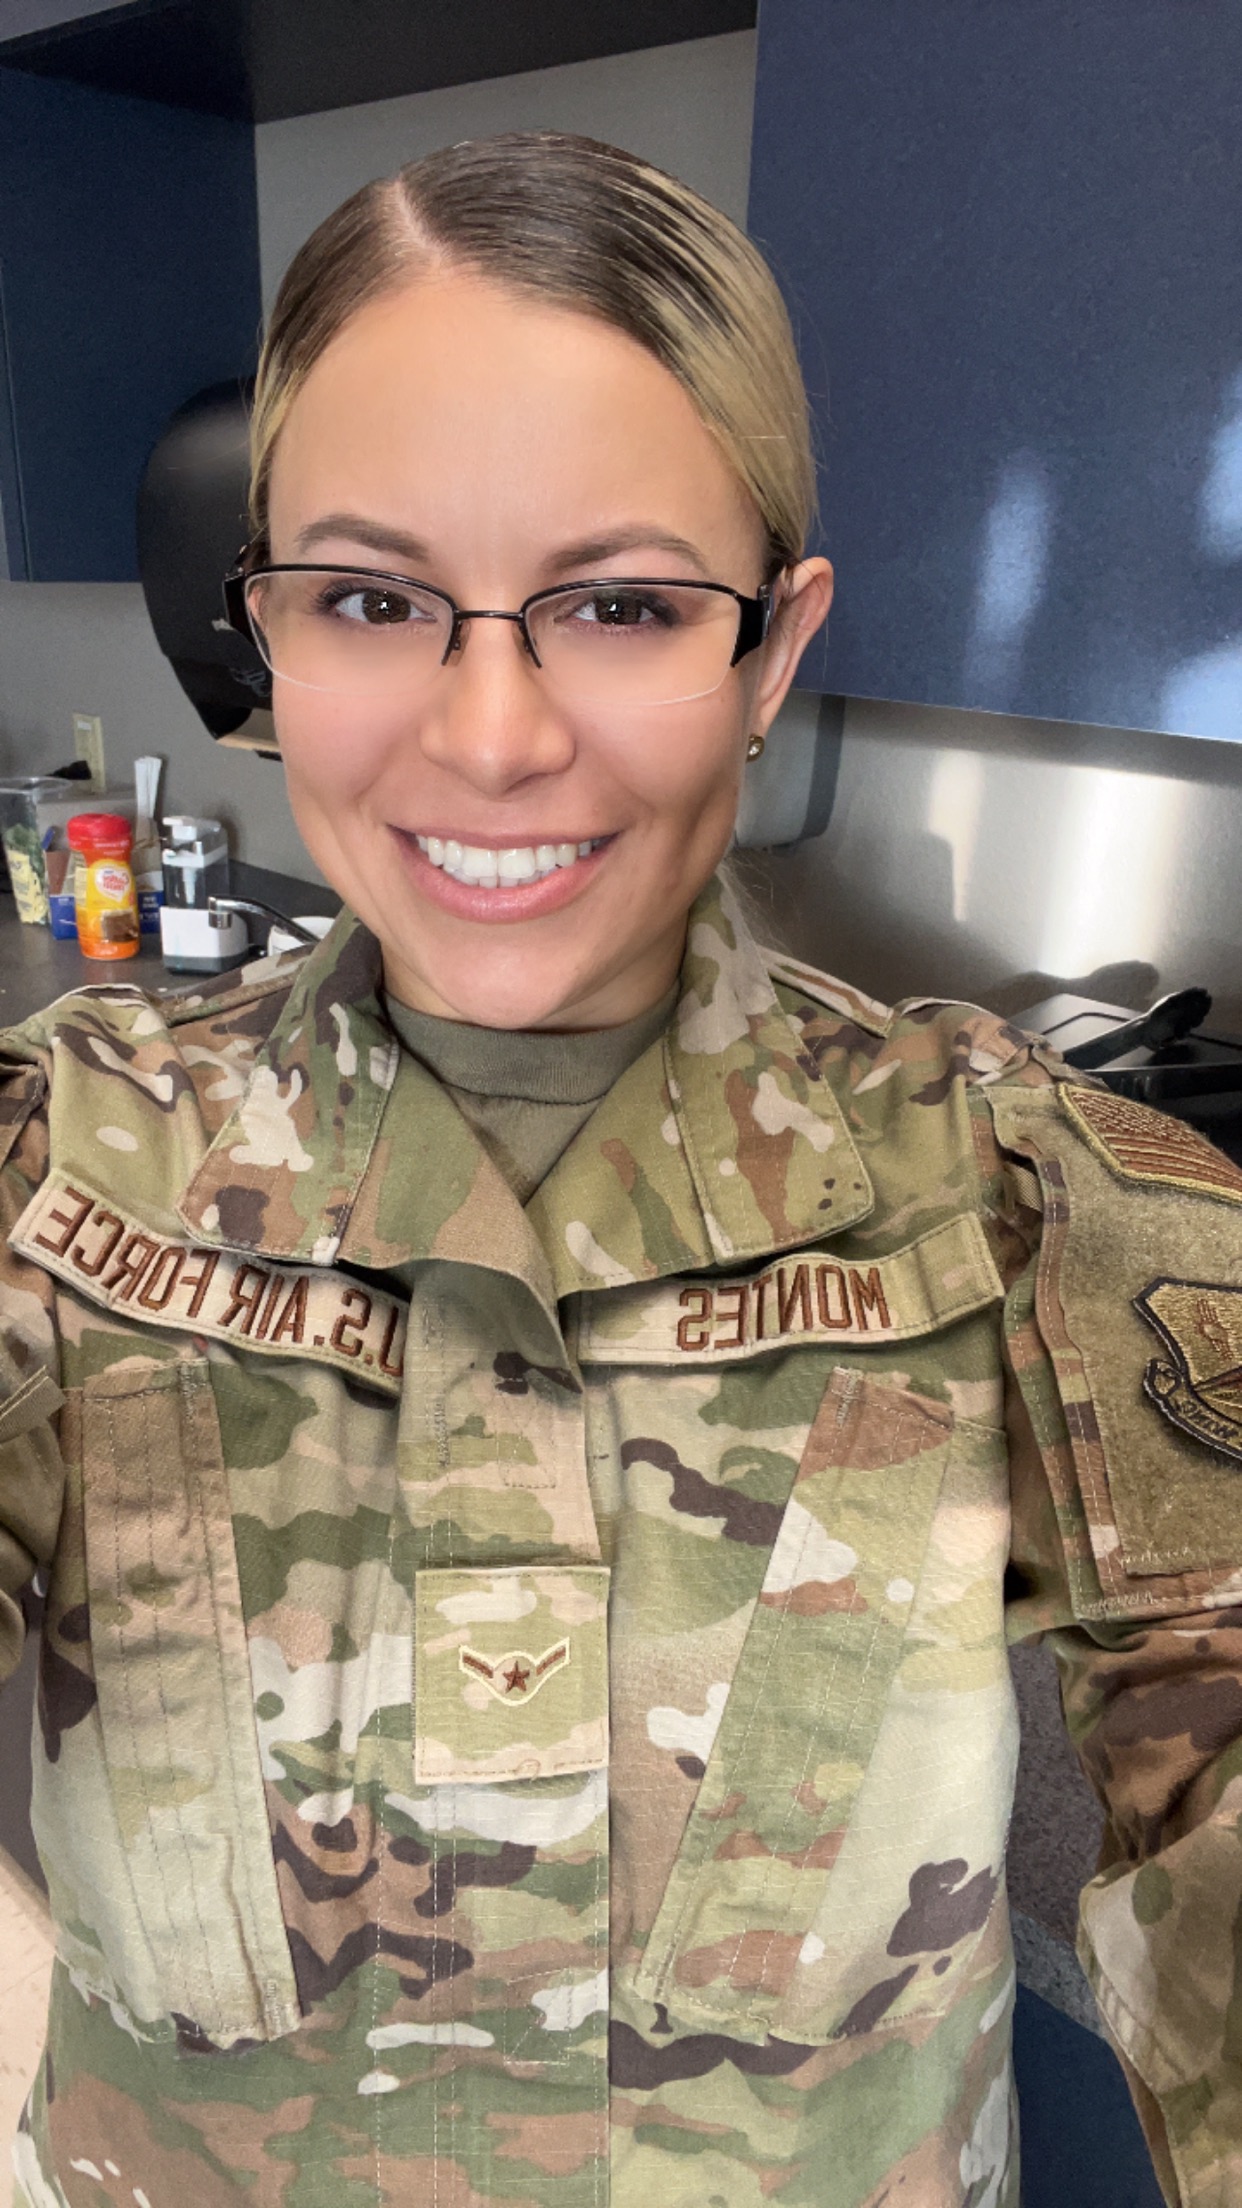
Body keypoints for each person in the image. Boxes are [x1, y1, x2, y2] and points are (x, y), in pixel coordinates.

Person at [1, 130, 1238, 2208]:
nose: (492, 738)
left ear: (770, 652)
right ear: (265, 631)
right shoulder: (61, 1175)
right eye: (372, 598)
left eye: (624, 605)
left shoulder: (1018, 1198)